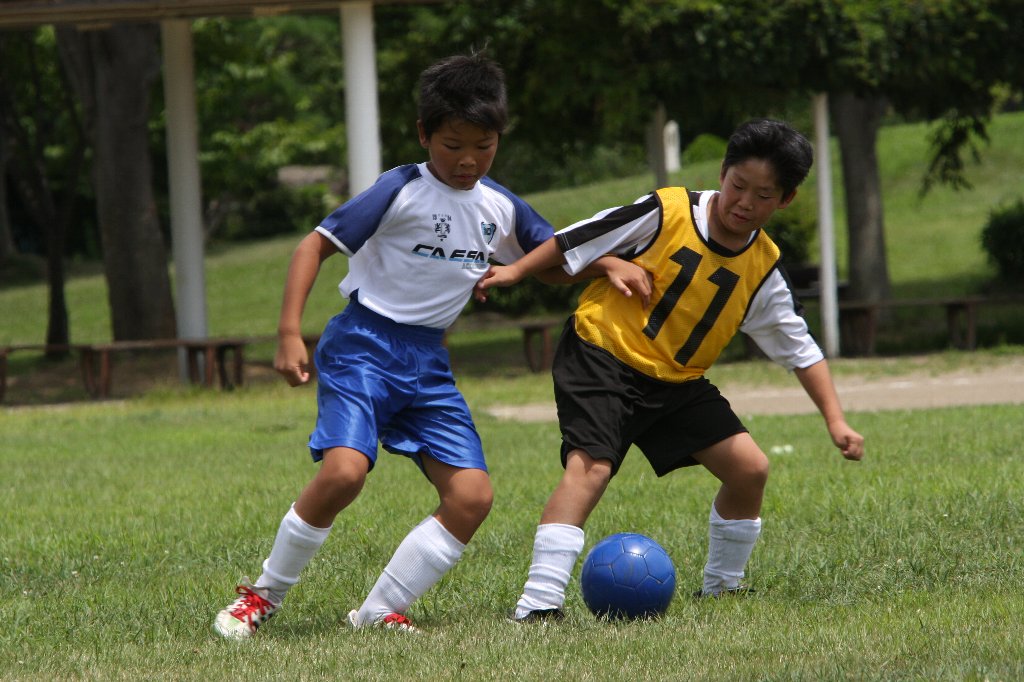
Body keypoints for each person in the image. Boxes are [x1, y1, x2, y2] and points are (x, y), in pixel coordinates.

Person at [211, 51, 634, 639]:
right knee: (344, 474)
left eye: (484, 146)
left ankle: (379, 609)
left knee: (471, 496)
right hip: (362, 346)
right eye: (453, 144)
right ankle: (260, 598)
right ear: (423, 134)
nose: (468, 160)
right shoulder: (400, 188)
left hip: (428, 362)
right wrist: (288, 332)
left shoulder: (498, 205)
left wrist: (606, 263)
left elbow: (551, 256)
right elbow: (314, 245)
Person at [475, 118, 865, 621]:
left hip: (676, 383)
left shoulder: (763, 267)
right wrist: (515, 270)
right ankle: (538, 605)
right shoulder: (666, 210)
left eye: (763, 195)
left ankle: (722, 589)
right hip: (602, 355)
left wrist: (836, 421)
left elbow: (801, 350)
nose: (744, 202)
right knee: (591, 468)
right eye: (738, 185)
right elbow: (573, 240)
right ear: (722, 173)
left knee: (750, 469)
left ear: (785, 200)